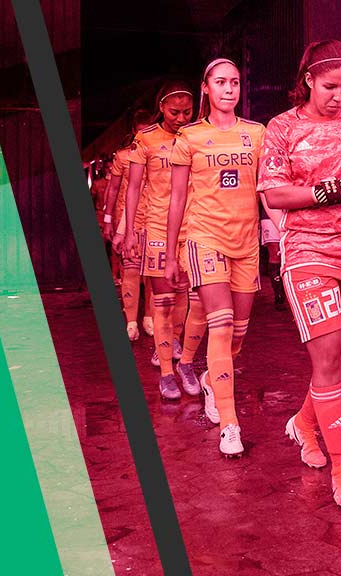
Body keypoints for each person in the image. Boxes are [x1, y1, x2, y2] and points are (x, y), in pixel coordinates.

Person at [258, 40, 341, 509]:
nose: (338, 96)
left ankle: (304, 423)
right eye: (329, 87)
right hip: (306, 253)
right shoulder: (282, 128)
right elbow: (275, 195)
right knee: (329, 356)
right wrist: (334, 189)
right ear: (309, 80)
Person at [165, 58, 266, 457]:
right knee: (220, 324)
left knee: (238, 333)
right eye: (221, 82)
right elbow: (177, 199)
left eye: (235, 82)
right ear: (205, 88)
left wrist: (284, 231)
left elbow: (265, 190)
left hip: (247, 242)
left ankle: (211, 379)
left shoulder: (256, 134)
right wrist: (171, 254)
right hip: (204, 238)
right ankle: (229, 423)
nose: (229, 89)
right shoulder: (189, 137)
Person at [122, 79, 205, 401]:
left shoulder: (197, 136)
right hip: (157, 229)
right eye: (174, 112)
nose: (181, 118)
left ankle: (177, 354)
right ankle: (167, 374)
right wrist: (130, 231)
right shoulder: (145, 140)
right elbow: (133, 187)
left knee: (188, 298)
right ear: (161, 108)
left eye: (187, 112)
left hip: (193, 228)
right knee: (164, 300)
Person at [104, 109, 153, 341]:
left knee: (153, 274)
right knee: (131, 270)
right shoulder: (123, 157)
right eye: (140, 132)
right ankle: (131, 321)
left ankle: (149, 317)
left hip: (154, 220)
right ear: (134, 131)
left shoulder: (160, 156)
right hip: (129, 221)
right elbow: (113, 189)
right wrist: (108, 220)